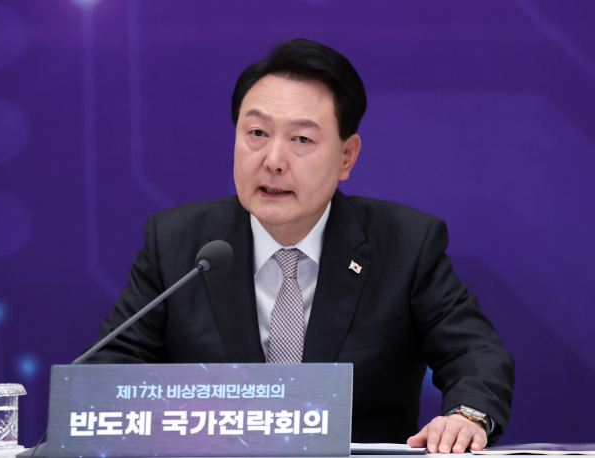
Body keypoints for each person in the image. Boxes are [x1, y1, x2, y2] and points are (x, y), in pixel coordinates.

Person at [86, 39, 514, 453]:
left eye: (302, 139)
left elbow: (474, 352)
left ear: (346, 157)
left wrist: (466, 416)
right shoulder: (179, 243)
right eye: (256, 132)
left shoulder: (405, 244)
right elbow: (111, 368)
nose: (273, 160)